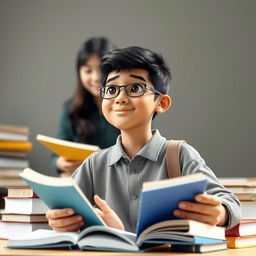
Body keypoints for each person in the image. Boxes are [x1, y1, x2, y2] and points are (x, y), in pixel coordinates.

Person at [46, 46, 241, 232]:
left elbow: (230, 203)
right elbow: (66, 209)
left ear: (161, 103)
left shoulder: (180, 155)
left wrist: (219, 212)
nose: (120, 98)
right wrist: (61, 219)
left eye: (135, 88)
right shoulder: (93, 164)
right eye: (111, 90)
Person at [51, 37, 120, 177]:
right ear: (79, 73)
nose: (95, 78)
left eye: (101, 69)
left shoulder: (129, 106)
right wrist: (61, 163)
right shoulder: (71, 109)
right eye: (88, 71)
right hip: (81, 179)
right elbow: (55, 157)